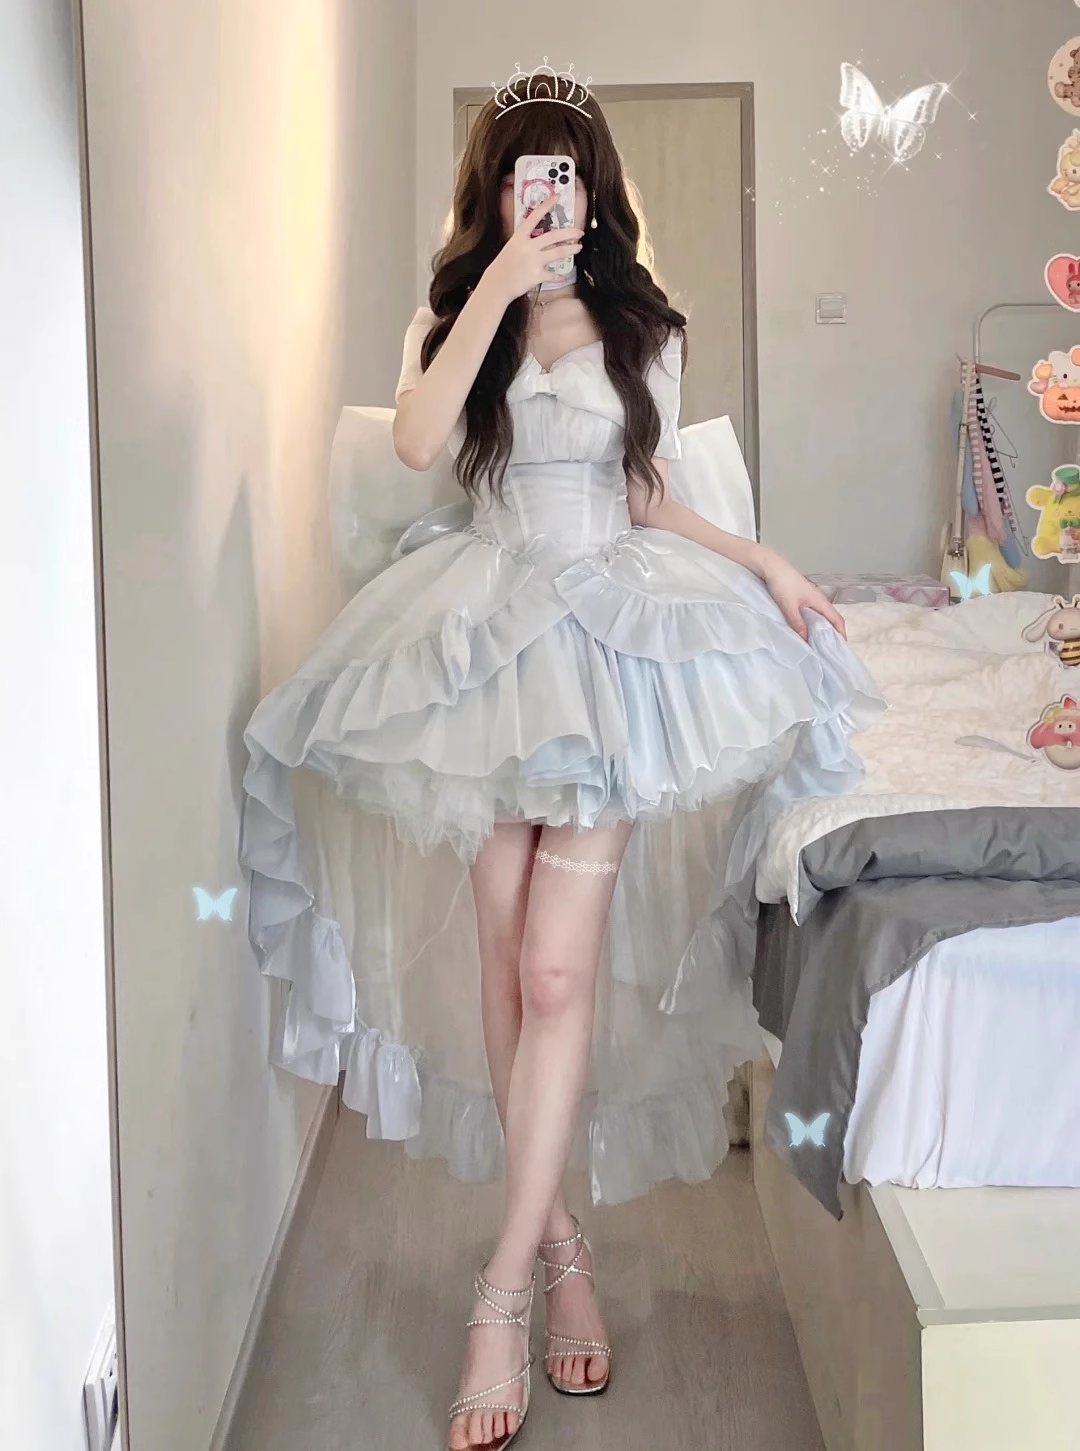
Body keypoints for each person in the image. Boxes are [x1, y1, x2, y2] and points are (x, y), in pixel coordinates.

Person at [238, 62, 883, 1451]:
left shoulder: (643, 324)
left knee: (551, 970)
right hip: (485, 646)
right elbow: (418, 439)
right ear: (496, 191)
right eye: (529, 173)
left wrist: (764, 561)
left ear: (595, 190)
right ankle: (565, 1249)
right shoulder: (455, 318)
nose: (553, 195)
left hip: (608, 653)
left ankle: (500, 1295)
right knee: (500, 960)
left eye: (570, 173)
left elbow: (646, 497)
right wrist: (493, 285)